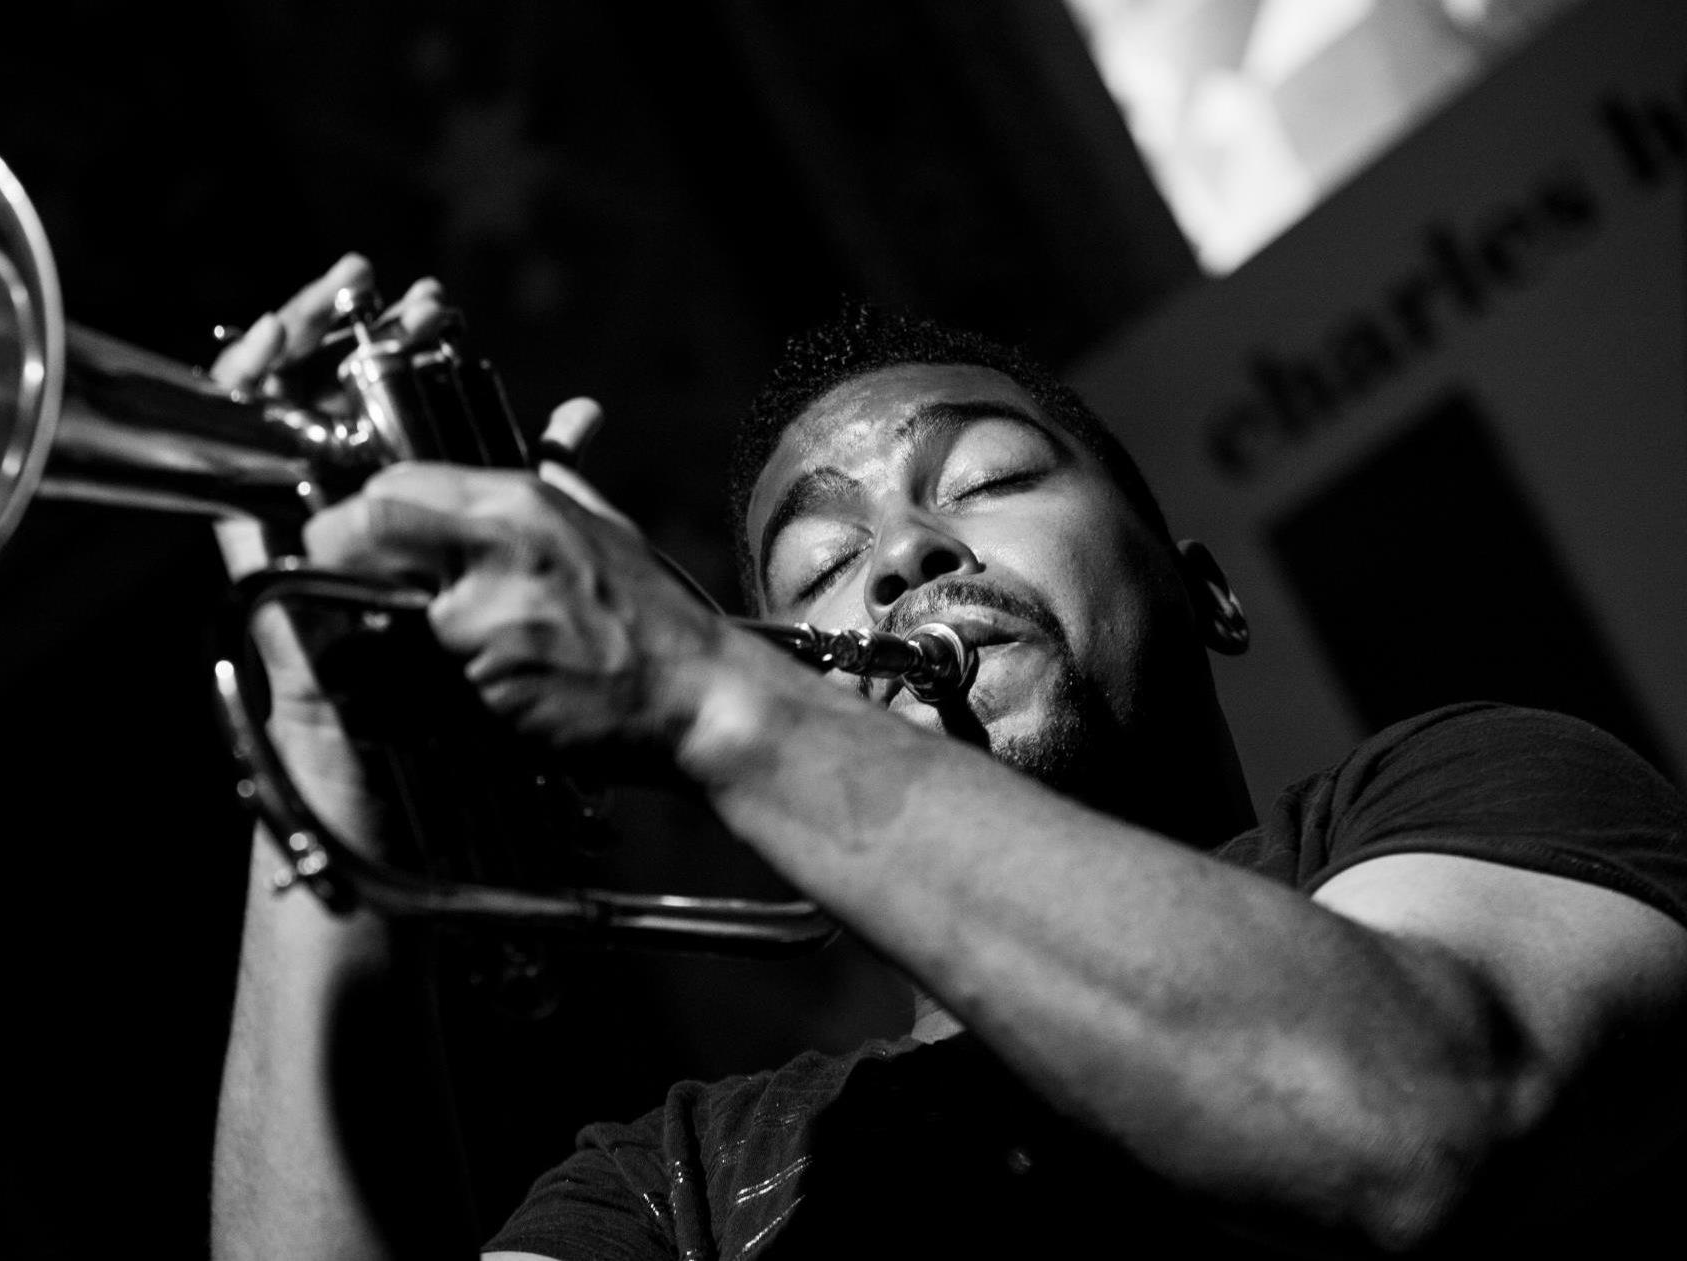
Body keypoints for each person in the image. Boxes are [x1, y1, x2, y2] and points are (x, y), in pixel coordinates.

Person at [209, 256, 1687, 1259]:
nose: (906, 554)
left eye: (984, 480)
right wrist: (324, 763)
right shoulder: (692, 1180)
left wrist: (709, 692)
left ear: (1203, 589)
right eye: (821, 562)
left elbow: (1409, 1112)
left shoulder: (1470, 791)